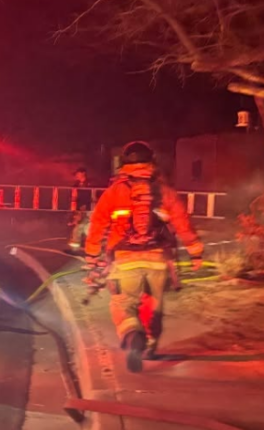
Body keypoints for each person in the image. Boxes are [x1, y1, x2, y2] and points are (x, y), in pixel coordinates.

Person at [83, 141, 204, 373]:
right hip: (158, 261)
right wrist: (195, 253)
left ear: (124, 164)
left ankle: (132, 333)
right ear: (152, 161)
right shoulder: (165, 191)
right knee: (154, 306)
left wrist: (91, 256)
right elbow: (182, 223)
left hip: (124, 259)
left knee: (123, 303)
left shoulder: (114, 192)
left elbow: (97, 223)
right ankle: (150, 344)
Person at [67, 167, 93, 254]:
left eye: (77, 174)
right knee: (79, 226)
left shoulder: (91, 184)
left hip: (89, 208)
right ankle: (77, 248)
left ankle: (89, 248)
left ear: (83, 174)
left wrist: (85, 206)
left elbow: (92, 196)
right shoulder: (76, 185)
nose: (76, 176)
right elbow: (74, 197)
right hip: (79, 208)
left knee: (86, 227)